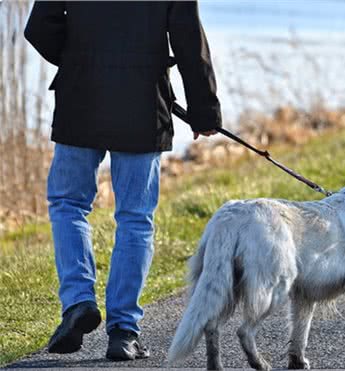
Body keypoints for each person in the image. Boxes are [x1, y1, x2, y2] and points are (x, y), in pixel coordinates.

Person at [24, 1, 221, 361]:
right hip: (143, 105)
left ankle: (78, 302)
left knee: (68, 204)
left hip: (79, 98)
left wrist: (77, 60)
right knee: (135, 217)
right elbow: (189, 39)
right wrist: (204, 109)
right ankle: (124, 331)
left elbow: (39, 28)